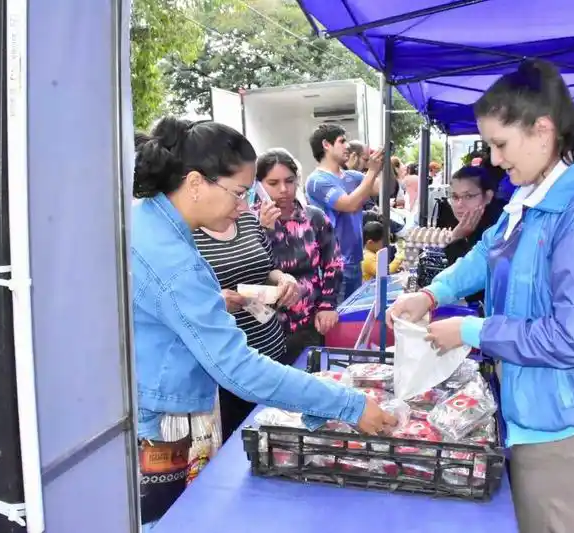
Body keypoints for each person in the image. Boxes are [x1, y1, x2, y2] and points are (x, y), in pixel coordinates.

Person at [386, 60, 574, 533]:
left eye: (501, 144)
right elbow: (487, 254)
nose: (496, 159)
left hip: (568, 413)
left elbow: (573, 338)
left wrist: (470, 329)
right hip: (534, 398)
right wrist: (431, 293)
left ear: (543, 130)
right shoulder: (532, 196)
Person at [131, 117, 395, 525]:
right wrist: (346, 403)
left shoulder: (149, 222)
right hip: (160, 416)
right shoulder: (174, 259)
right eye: (239, 193)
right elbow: (235, 366)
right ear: (196, 182)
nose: (243, 206)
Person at [192, 200, 298, 440]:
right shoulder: (187, 234)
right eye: (235, 191)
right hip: (226, 360)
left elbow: (268, 267)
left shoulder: (249, 220)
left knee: (274, 430)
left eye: (243, 192)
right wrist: (215, 302)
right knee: (238, 440)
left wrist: (284, 278)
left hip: (269, 345)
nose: (241, 203)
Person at [255, 148, 344, 362]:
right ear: (259, 186)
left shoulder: (314, 218)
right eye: (273, 183)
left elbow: (334, 263)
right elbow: (250, 269)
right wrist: (262, 230)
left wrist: (327, 305)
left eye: (290, 181)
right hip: (264, 329)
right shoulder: (247, 221)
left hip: (309, 322)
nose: (283, 190)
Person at [305, 124, 384, 302]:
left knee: (352, 319)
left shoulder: (351, 177)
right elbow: (349, 204)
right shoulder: (317, 181)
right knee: (338, 319)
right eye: (342, 141)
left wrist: (379, 165)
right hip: (334, 263)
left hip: (355, 260)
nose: (347, 146)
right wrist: (371, 171)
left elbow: (380, 189)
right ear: (326, 144)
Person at [438, 157, 506, 305]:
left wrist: (456, 238)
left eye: (468, 196)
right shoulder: (466, 223)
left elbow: (472, 291)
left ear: (488, 196)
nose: (459, 204)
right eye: (455, 197)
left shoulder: (498, 227)